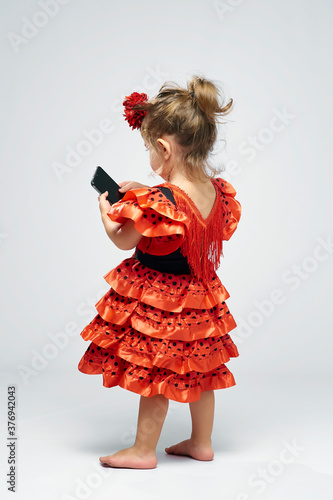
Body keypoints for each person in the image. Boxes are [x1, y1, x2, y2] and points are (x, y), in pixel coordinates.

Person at [77, 75, 242, 469]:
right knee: (202, 369)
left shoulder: (160, 199)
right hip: (200, 296)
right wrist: (141, 191)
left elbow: (124, 238)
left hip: (161, 301)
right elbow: (179, 213)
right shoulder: (218, 192)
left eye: (150, 148)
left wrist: (107, 214)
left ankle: (142, 451)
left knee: (155, 373)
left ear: (164, 149)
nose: (151, 156)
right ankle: (202, 443)